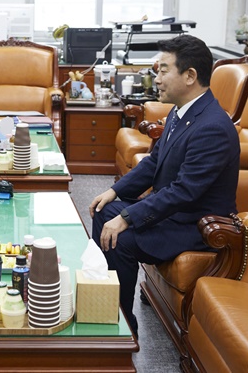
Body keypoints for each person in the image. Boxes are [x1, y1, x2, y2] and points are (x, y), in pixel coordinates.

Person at [88, 35, 239, 338]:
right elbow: (153, 163)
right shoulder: (180, 112)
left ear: (190, 75)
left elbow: (184, 191)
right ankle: (107, 310)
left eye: (163, 71)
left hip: (195, 225)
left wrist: (128, 217)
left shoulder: (212, 127)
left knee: (123, 238)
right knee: (104, 211)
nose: (156, 79)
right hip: (175, 213)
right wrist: (116, 192)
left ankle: (122, 327)